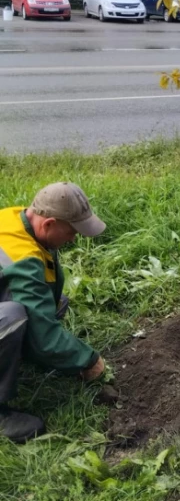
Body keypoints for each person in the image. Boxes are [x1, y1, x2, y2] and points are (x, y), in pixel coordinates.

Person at [0, 182, 107, 442]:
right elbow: (43, 334)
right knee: (13, 317)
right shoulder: (21, 257)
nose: (73, 239)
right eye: (71, 232)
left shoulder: (15, 218)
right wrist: (88, 360)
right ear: (48, 224)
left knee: (55, 302)